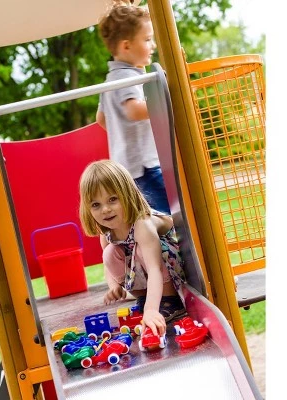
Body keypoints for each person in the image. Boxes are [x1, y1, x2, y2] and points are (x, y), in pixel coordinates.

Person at [79, 159, 186, 336]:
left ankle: (170, 300)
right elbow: (108, 263)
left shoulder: (142, 224)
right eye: (96, 204)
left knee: (141, 251)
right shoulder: (106, 231)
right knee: (110, 253)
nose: (105, 210)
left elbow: (154, 268)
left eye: (112, 199)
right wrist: (114, 286)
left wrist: (151, 311)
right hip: (148, 269)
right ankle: (144, 297)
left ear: (127, 195)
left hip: (174, 266)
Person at [96, 1, 170, 214]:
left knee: (151, 215)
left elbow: (101, 119)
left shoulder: (110, 79)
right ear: (126, 46)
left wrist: (123, 133)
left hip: (126, 167)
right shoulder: (126, 76)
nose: (152, 45)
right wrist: (168, 100)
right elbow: (134, 110)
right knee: (173, 212)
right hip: (144, 166)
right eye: (147, 39)